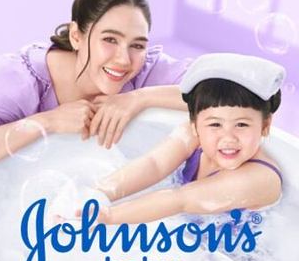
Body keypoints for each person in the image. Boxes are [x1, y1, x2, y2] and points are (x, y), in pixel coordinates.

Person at [0, 0, 188, 164]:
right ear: (76, 36)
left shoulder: (145, 70)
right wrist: (49, 121)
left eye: (137, 45)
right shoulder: (23, 77)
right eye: (110, 39)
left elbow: (208, 84)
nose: (124, 59)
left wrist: (139, 98)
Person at [90, 53, 284, 224]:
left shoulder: (260, 179)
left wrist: (108, 216)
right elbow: (154, 164)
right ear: (194, 125)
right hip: (188, 228)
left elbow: (179, 200)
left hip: (230, 249)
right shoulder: (194, 136)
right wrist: (101, 192)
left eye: (241, 125)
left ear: (265, 126)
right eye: (215, 124)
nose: (228, 138)